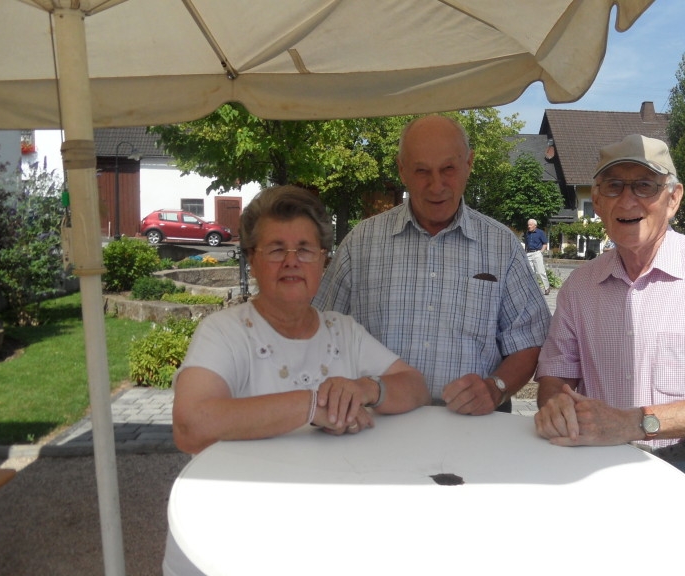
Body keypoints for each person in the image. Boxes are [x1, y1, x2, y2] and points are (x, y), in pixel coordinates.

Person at [533, 134, 685, 576]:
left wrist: (632, 422)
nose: (629, 199)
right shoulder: (579, 287)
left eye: (645, 185)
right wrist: (555, 406)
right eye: (613, 186)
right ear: (599, 201)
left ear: (673, 198)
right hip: (597, 469)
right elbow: (554, 375)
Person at [163, 185, 429, 576]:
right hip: (232, 540)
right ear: (252, 260)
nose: (292, 261)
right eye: (275, 249)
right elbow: (191, 425)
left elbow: (416, 386)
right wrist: (314, 406)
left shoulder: (344, 331)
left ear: (322, 261)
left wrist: (365, 390)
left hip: (322, 538)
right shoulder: (224, 332)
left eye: (305, 249)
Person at [313, 114, 551, 415]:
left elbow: (528, 339)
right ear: (402, 171)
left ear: (469, 164)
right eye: (422, 171)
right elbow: (320, 332)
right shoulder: (360, 243)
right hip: (377, 427)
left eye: (448, 169)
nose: (436, 185)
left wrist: (496, 387)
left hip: (472, 430)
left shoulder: (501, 246)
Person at [524, 218, 550, 295]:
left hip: (537, 253)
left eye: (530, 225)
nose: (529, 226)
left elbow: (545, 243)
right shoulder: (527, 233)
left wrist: (541, 252)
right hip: (528, 253)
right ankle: (533, 289)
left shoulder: (540, 233)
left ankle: (547, 287)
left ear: (535, 225)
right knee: (531, 272)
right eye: (528, 225)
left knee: (540, 272)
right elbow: (526, 244)